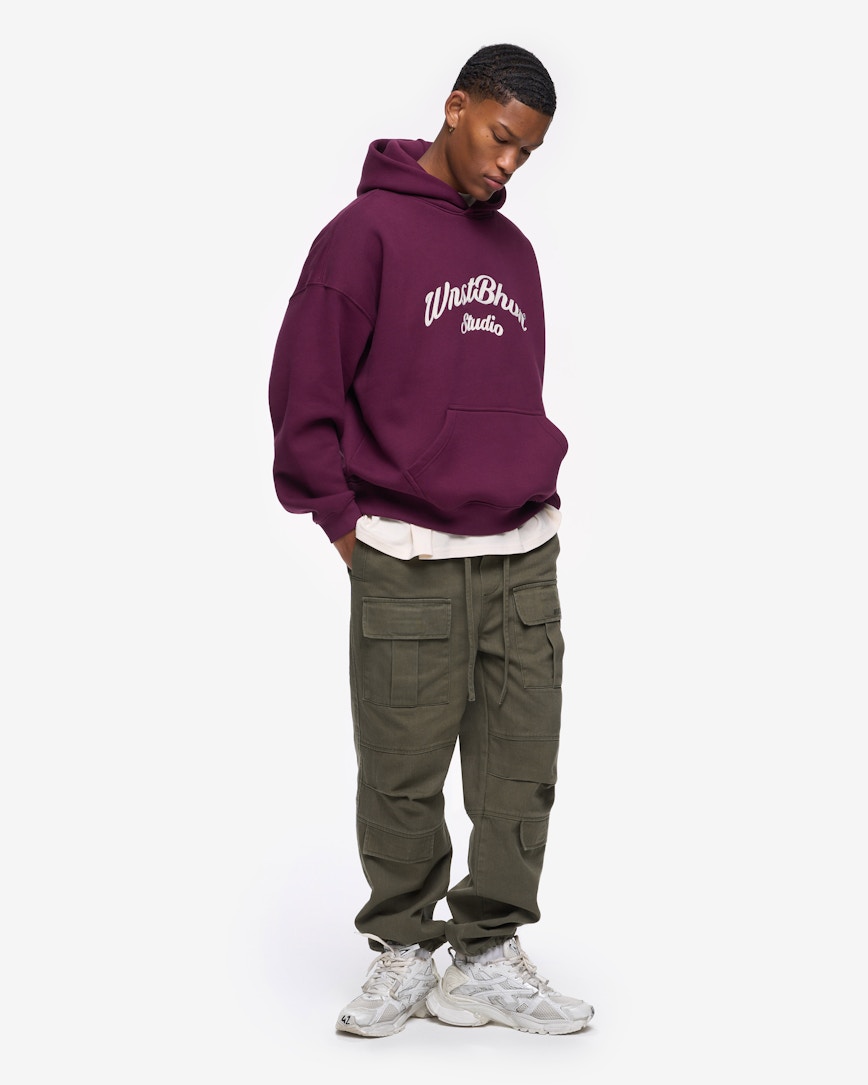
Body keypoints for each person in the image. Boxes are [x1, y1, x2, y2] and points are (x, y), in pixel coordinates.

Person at [268, 42, 593, 1038]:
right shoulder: (360, 237)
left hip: (522, 553)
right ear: (456, 107)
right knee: (401, 770)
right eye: (501, 138)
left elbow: (507, 394)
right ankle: (404, 949)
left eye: (527, 153)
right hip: (406, 555)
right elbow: (303, 395)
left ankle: (485, 956)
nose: (508, 164)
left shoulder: (515, 253)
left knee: (520, 770)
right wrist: (343, 525)